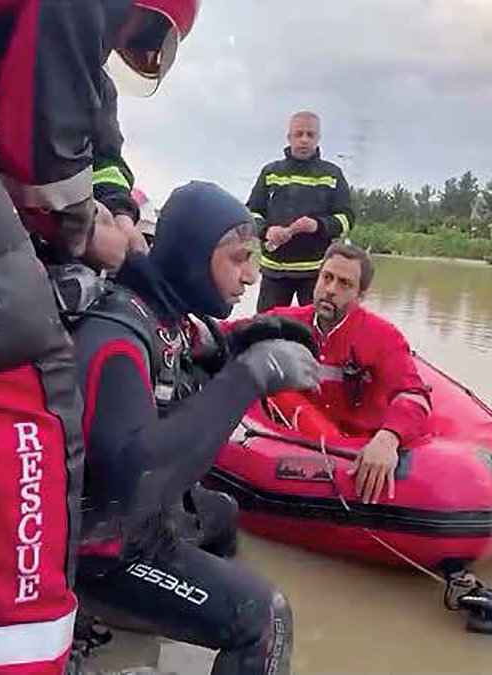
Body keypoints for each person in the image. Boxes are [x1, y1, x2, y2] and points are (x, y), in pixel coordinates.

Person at [0, 2, 201, 673]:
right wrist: (83, 227)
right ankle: (24, 652)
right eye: (142, 34)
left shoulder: (37, 63)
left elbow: (72, 138)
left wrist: (103, 209)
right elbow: (40, 148)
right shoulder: (64, 36)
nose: (125, 46)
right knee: (22, 392)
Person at [67, 181, 320, 675]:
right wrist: (252, 376)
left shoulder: (164, 315)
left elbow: (197, 349)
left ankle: (184, 617)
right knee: (267, 616)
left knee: (221, 513)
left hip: (136, 525)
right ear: (191, 255)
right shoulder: (115, 339)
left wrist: (249, 335)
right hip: (97, 548)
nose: (250, 276)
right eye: (237, 258)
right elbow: (138, 480)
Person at [260, 242, 432, 505]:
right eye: (326, 278)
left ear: (361, 295)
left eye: (344, 284)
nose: (330, 290)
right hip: (303, 436)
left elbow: (414, 395)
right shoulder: (284, 320)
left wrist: (389, 438)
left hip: (357, 445)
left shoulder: (384, 337)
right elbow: (229, 333)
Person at [247, 111, 355, 312]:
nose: (304, 139)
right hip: (274, 274)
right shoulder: (270, 172)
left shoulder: (332, 174)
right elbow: (251, 214)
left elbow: (347, 219)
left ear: (318, 138)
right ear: (289, 138)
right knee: (265, 330)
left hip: (317, 275)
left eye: (310, 134)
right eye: (299, 134)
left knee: (315, 332)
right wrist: (266, 231)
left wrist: (318, 225)